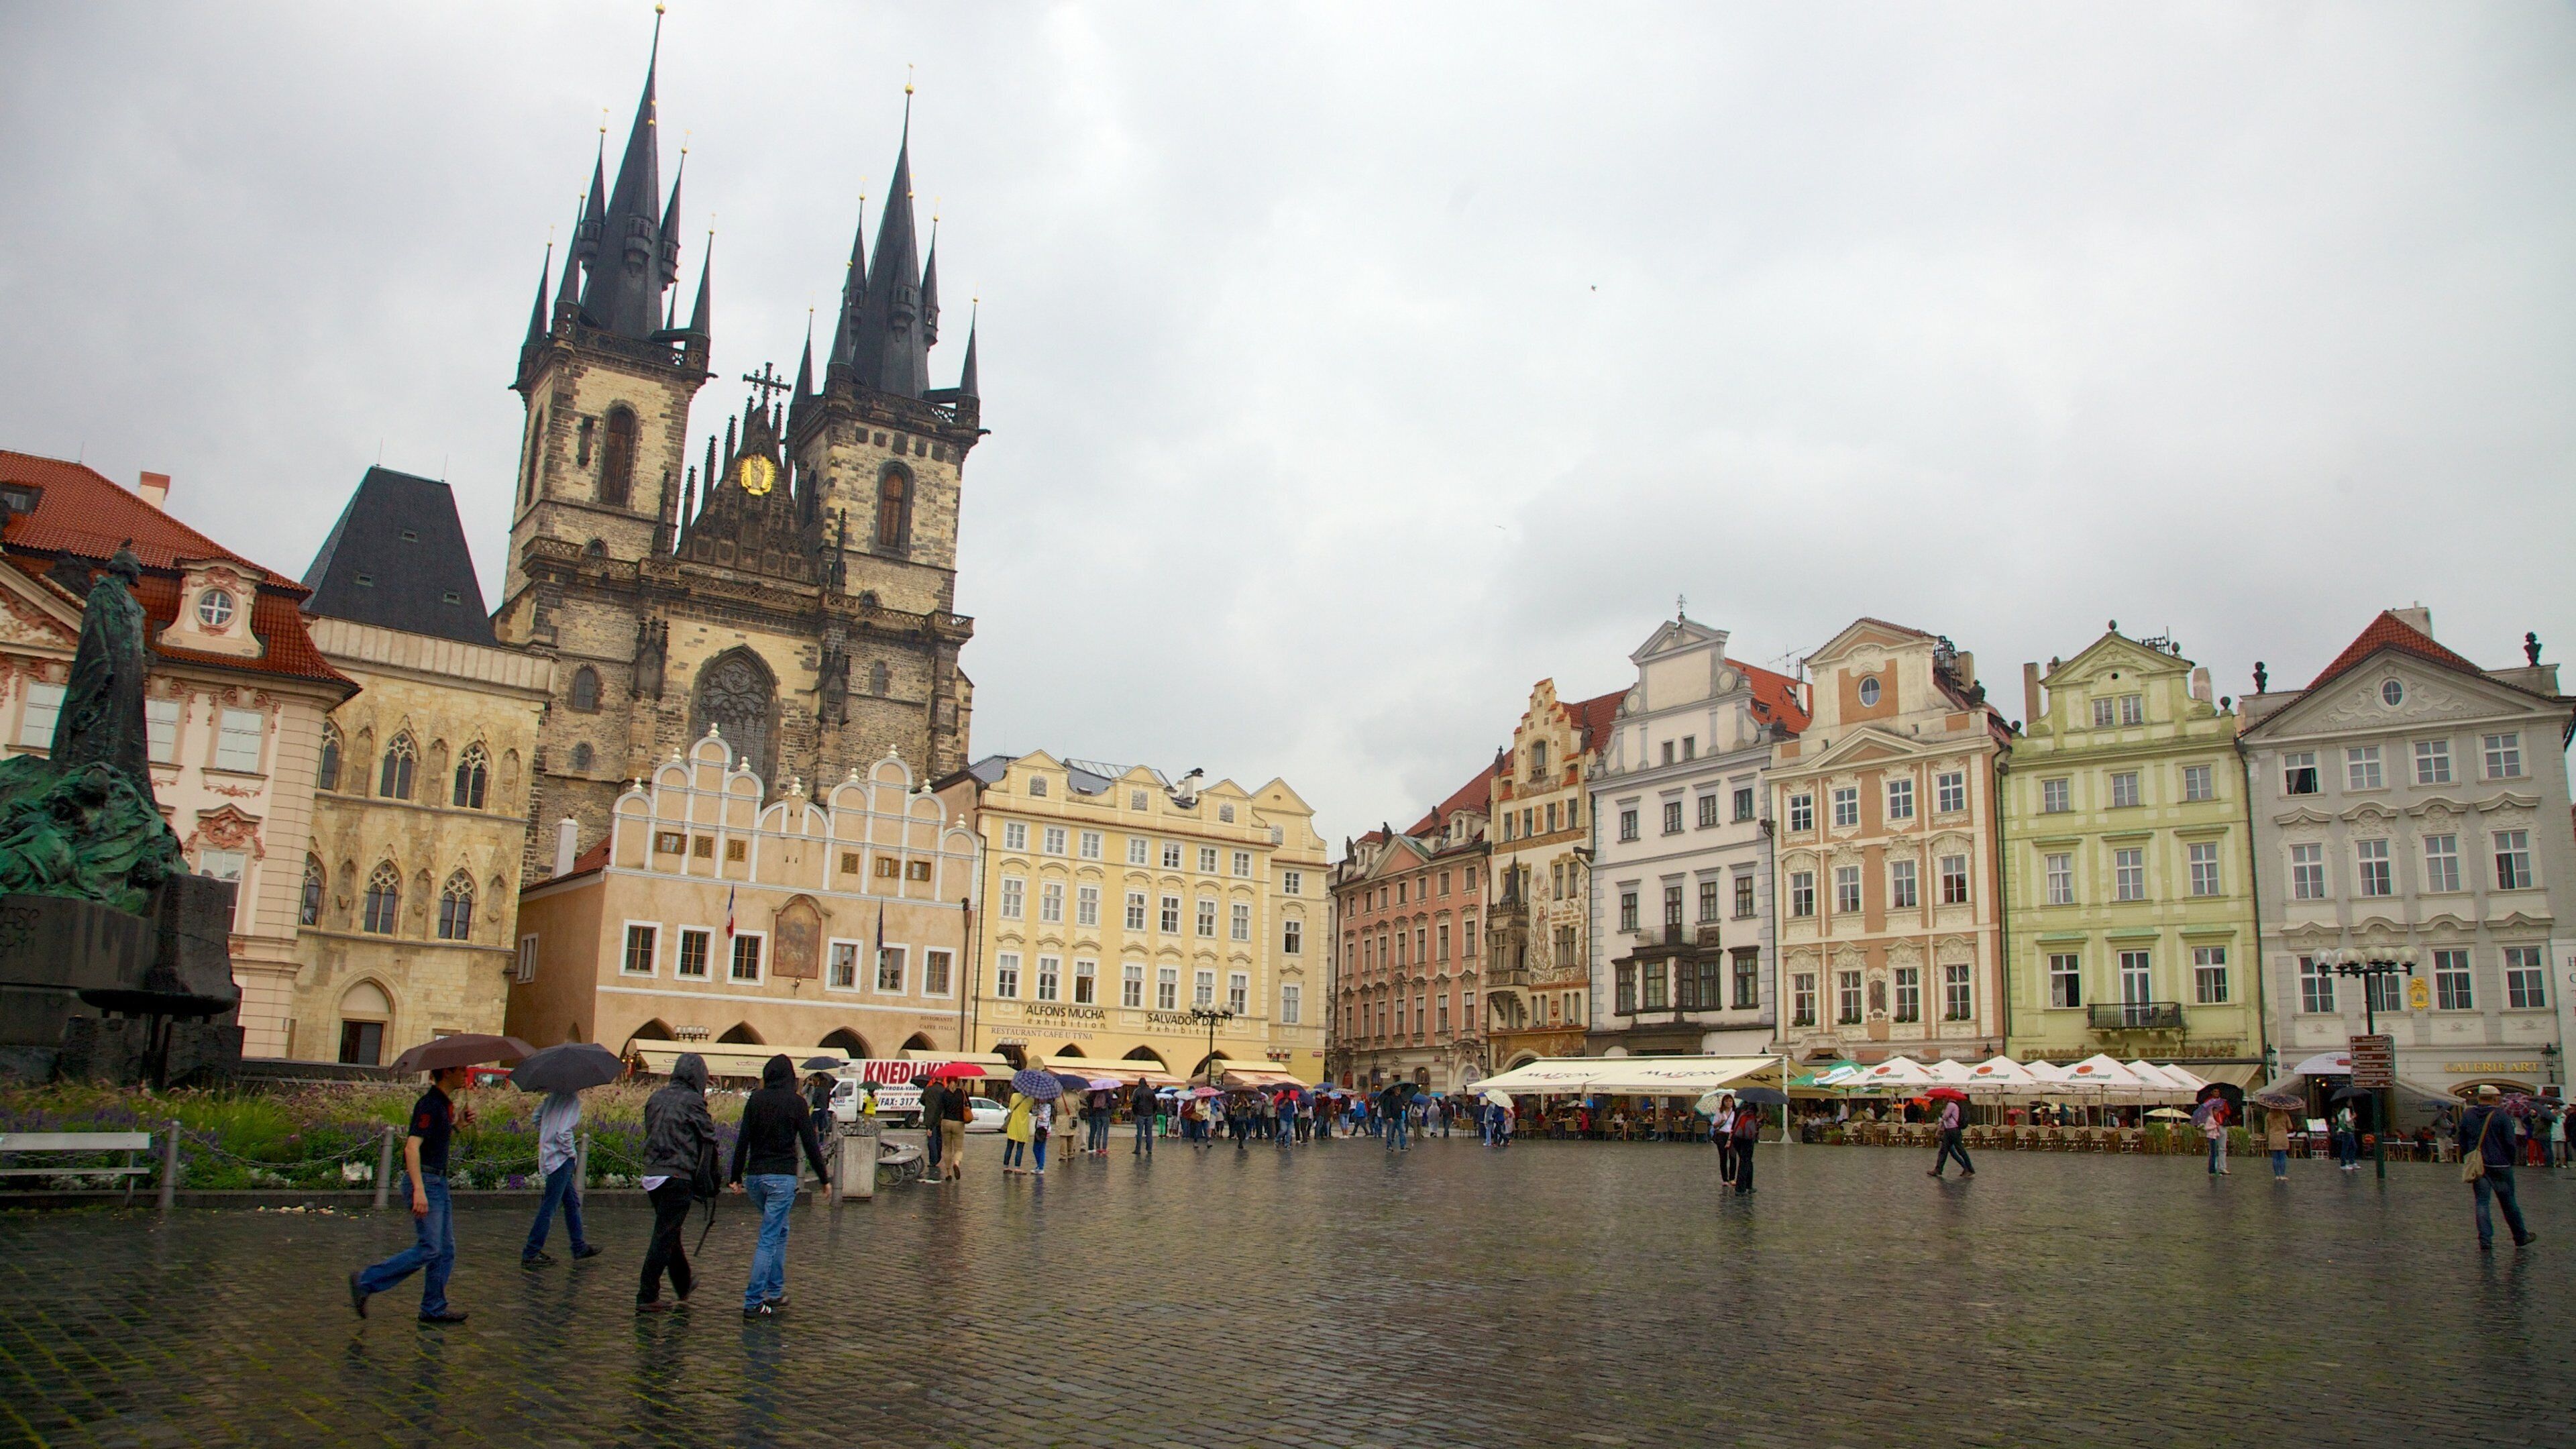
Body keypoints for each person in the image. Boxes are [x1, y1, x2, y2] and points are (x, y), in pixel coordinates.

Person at [349, 1063, 473, 1324]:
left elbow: (434, 1141)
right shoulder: (429, 1104)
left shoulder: (444, 1104)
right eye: (462, 1069)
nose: (466, 1074)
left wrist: (458, 1126)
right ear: (447, 1072)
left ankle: (433, 1307)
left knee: (445, 1250)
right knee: (430, 1248)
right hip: (426, 1182)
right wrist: (419, 1190)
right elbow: (412, 1147)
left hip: (438, 1182)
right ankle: (366, 1281)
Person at [729, 1055, 834, 1319]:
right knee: (769, 1237)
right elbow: (810, 1143)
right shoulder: (796, 1102)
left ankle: (775, 1290)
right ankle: (754, 1301)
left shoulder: (756, 1100)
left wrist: (735, 1176)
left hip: (756, 1178)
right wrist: (824, 1179)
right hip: (781, 1178)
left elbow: (743, 1139)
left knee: (780, 1230)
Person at [636, 1053, 716, 1313]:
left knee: (670, 1231)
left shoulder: (656, 1097)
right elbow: (708, 1137)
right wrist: (711, 1179)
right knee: (664, 1236)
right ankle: (647, 1294)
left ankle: (683, 1284)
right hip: (678, 1175)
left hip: (653, 1173)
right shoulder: (693, 1101)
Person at [521, 1087, 599, 1267]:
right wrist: (571, 1153)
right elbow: (563, 1133)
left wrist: (546, 1134)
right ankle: (531, 1251)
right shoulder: (571, 1100)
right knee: (550, 1206)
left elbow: (536, 1118)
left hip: (548, 1157)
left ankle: (579, 1245)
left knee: (571, 1202)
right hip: (561, 1160)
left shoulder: (552, 1097)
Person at [2457, 1084, 2535, 1251]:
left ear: (2479, 1097)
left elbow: (2462, 1138)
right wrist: (2510, 1160)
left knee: (2482, 1202)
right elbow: (2510, 1142)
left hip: (2479, 1165)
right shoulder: (2501, 1115)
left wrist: (2468, 1156)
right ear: (2495, 1098)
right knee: (2509, 1202)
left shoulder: (2468, 1114)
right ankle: (2520, 1236)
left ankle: (2485, 1240)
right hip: (2500, 1163)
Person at [1927, 1097, 1974, 1179]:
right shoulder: (1954, 1105)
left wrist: (1942, 1117)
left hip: (1953, 1130)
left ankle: (1970, 1169)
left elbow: (1945, 1117)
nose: (1943, 1099)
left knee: (1960, 1150)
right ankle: (1938, 1169)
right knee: (1944, 1150)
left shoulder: (1951, 1105)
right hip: (1950, 1131)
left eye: (1945, 1098)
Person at [920, 1075, 950, 1176]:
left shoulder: (928, 1089)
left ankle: (933, 1160)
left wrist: (929, 1104)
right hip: (941, 1118)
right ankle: (938, 1158)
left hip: (930, 1117)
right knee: (939, 1139)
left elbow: (922, 1100)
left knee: (931, 1139)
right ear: (943, 1080)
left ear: (935, 1080)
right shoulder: (944, 1091)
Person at [1730, 1097, 1761, 1194]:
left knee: (1746, 1161)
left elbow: (1734, 1124)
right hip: (1748, 1140)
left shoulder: (1739, 1110)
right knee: (1745, 1162)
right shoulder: (1754, 1111)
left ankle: (1748, 1185)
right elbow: (1752, 1128)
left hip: (1737, 1138)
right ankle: (1741, 1188)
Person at [2196, 1095, 2231, 1175]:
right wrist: (2215, 1126)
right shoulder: (2209, 1103)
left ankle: (2222, 1167)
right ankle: (2213, 1169)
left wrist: (2222, 1110)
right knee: (2213, 1152)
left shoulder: (2224, 1103)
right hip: (2213, 1133)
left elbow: (2228, 1112)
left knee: (2223, 1148)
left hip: (2221, 1126)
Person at [1003, 1093, 1034, 1173]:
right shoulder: (1031, 1099)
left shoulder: (1014, 1096)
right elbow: (1030, 1109)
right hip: (1023, 1126)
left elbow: (1011, 1108)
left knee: (1009, 1147)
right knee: (1020, 1148)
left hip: (1013, 1124)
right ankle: (1017, 1168)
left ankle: (1006, 1167)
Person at [1130, 1079, 1159, 1158]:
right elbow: (1156, 1103)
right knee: (1149, 1133)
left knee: (1139, 1132)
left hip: (1140, 1114)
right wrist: (1153, 1112)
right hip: (1149, 1114)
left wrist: (1135, 1113)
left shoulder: (1137, 1091)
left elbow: (1134, 1103)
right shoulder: (1151, 1091)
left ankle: (1138, 1149)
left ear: (1139, 1083)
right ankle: (1149, 1149)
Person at [2265, 1106, 2292, 1181]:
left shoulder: (2268, 1116)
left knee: (2275, 1158)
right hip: (2283, 1138)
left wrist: (2267, 1138)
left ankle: (2277, 1175)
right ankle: (2282, 1175)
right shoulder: (2285, 1115)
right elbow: (2290, 1127)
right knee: (2282, 1158)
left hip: (2273, 1138)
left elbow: (2266, 1129)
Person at [2333, 1104, 2360, 1172]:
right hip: (2347, 1131)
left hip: (2343, 1130)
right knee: (2347, 1148)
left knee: (2353, 1146)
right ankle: (2343, 1164)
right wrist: (2353, 1116)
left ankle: (2351, 1162)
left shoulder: (2339, 1111)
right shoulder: (2346, 1110)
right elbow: (2348, 1120)